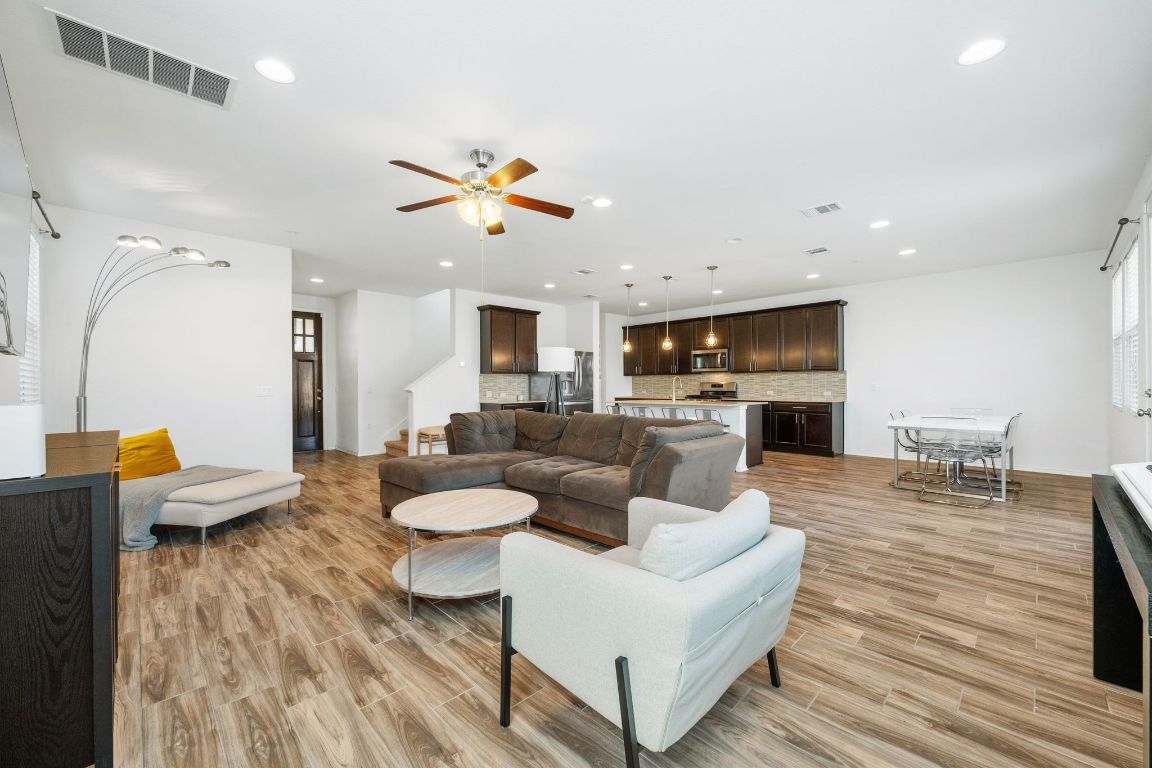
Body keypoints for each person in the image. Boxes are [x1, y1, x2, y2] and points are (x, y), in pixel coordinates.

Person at [0, 270, 17, 355]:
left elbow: (4, 291)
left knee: (7, 315)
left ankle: (10, 344)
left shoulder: (1, 278)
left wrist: (4, 302)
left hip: (3, 303)